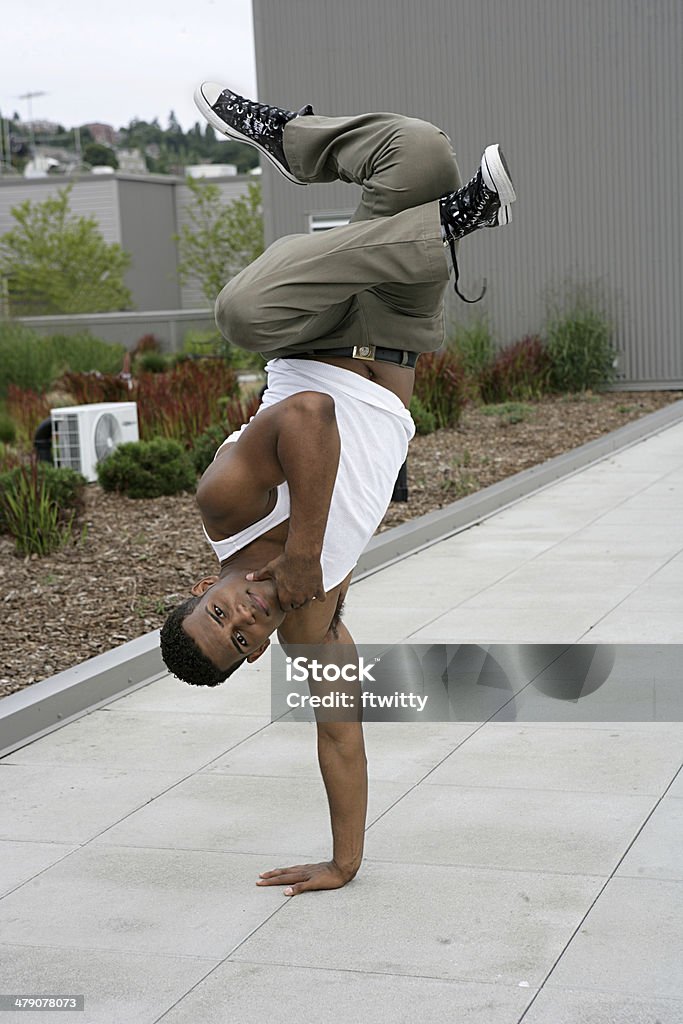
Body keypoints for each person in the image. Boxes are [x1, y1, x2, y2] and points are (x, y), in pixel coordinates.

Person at [159, 83, 516, 895]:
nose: (244, 617)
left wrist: (306, 552)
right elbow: (341, 737)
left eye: (219, 612)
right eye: (242, 640)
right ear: (256, 656)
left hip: (310, 327)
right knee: (423, 151)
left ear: (201, 586)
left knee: (239, 310)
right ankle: (396, 198)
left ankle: (341, 167)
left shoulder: (223, 507)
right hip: (391, 334)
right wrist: (344, 862)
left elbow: (310, 412)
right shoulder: (310, 629)